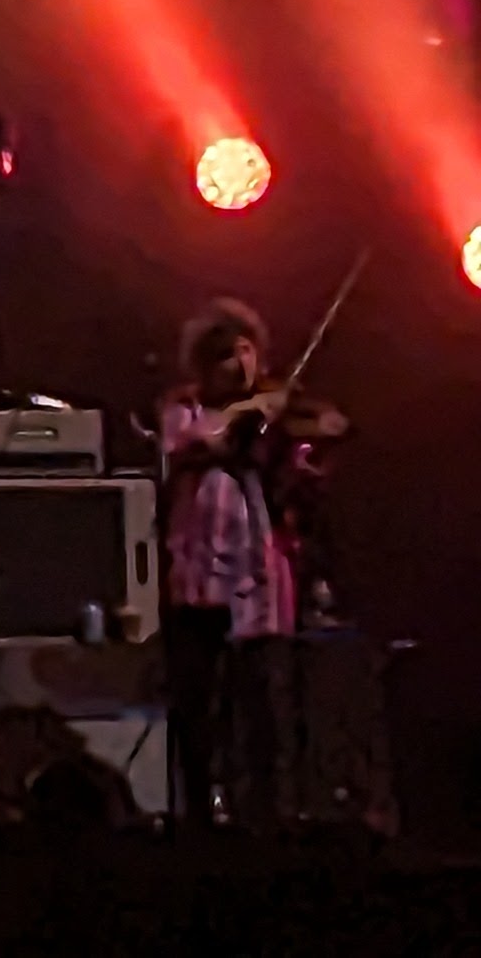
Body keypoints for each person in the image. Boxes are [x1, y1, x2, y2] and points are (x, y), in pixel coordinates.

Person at [158, 300, 340, 826]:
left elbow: (327, 433)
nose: (239, 365)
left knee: (265, 713)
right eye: (225, 356)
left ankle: (271, 818)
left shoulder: (272, 417)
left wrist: (303, 458)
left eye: (246, 352)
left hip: (259, 583)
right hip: (200, 580)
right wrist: (252, 412)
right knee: (199, 712)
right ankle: (199, 820)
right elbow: (197, 444)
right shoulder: (184, 410)